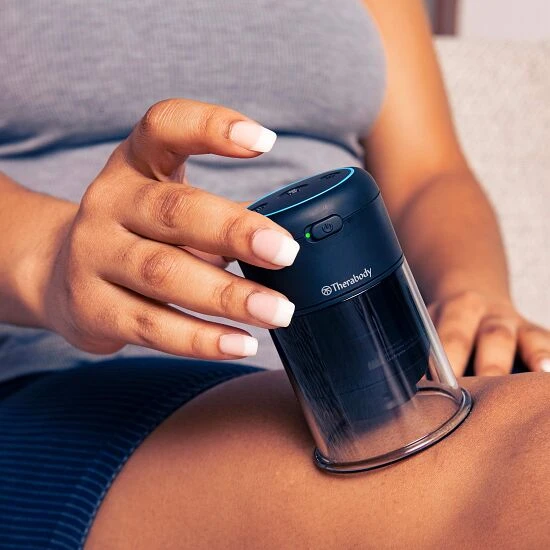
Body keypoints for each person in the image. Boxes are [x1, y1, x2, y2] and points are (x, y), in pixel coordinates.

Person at [0, 0, 549, 548]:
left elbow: (428, 172)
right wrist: (52, 262)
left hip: (393, 364)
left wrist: (471, 290)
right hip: (77, 388)